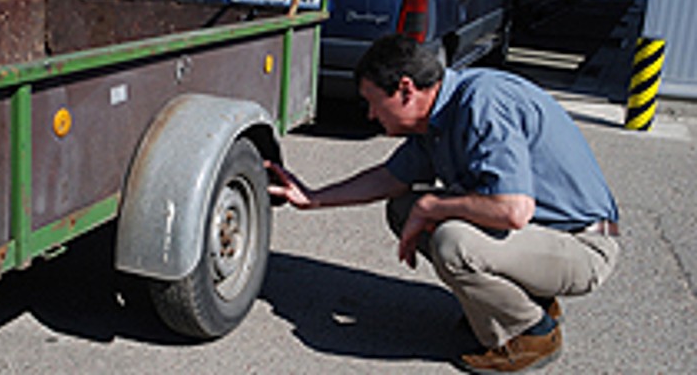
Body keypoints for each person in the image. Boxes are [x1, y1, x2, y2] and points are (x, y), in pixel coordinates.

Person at [266, 34, 620, 374]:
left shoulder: (483, 102)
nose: (371, 114)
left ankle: (529, 334)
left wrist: (432, 206)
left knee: (454, 243)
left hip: (582, 246)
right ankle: (522, 300)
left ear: (406, 89)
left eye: (373, 102)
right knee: (403, 207)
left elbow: (513, 210)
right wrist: (313, 198)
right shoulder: (439, 116)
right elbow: (390, 178)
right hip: (540, 237)